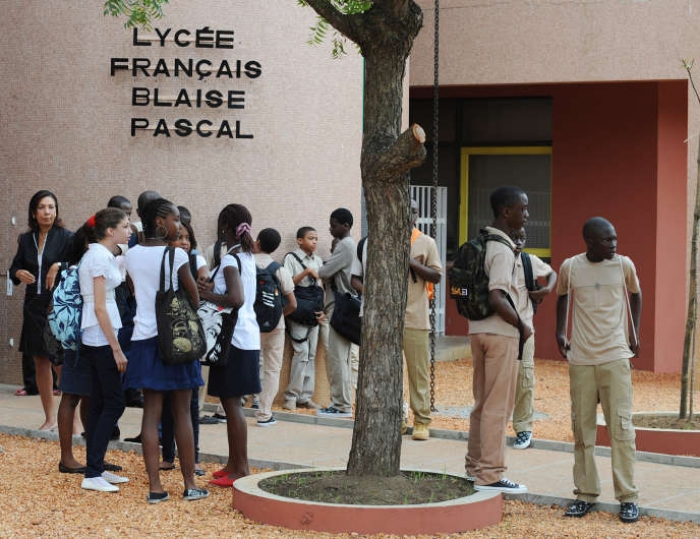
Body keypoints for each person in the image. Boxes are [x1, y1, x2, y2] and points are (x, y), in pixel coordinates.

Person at [555, 217, 641, 523]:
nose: (614, 244)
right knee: (582, 430)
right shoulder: (571, 267)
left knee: (621, 429)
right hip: (581, 360)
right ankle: (586, 494)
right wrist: (560, 333)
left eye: (615, 238)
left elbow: (636, 294)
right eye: (607, 240)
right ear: (590, 242)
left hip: (615, 357)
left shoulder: (623, 265)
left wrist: (634, 333)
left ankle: (628, 497)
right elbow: (562, 295)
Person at [123, 198, 209, 503]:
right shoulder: (175, 255)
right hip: (176, 340)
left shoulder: (130, 256)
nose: (178, 225)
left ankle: (156, 488)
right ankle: (189, 484)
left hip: (144, 340)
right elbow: (194, 300)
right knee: (183, 412)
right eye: (174, 220)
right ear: (160, 222)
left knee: (150, 414)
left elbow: (135, 291)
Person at [465, 185, 531, 494]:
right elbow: (497, 296)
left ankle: (474, 467)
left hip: (477, 330)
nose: (526, 214)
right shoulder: (503, 249)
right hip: (501, 334)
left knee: (482, 403)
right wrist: (522, 325)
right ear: (506, 211)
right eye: (523, 208)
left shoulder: (484, 241)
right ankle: (490, 474)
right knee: (498, 406)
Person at [201, 203, 260, 487]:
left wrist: (206, 295)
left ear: (224, 228)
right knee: (230, 402)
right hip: (247, 337)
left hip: (233, 340)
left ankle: (241, 468)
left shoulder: (229, 260)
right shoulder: (246, 256)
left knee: (232, 405)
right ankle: (233, 463)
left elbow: (235, 299)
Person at [10, 190, 74, 430]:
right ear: (34, 213)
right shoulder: (26, 239)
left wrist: (59, 265)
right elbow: (14, 266)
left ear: (56, 211)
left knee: (61, 363)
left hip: (57, 306)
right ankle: (49, 417)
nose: (47, 212)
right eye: (42, 207)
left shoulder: (67, 237)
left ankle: (73, 419)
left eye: (51, 207)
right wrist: (17, 273)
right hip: (33, 306)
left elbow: (80, 264)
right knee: (40, 361)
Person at [79, 208, 132, 492]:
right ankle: (92, 472)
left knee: (100, 402)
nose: (129, 229)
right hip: (101, 336)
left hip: (99, 333)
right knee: (114, 402)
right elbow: (100, 306)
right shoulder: (98, 257)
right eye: (125, 225)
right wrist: (116, 348)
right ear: (110, 230)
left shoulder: (100, 254)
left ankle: (95, 467)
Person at [160, 221, 207, 476]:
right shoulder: (167, 261)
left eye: (188, 237)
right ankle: (168, 455)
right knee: (168, 400)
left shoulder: (193, 260)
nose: (185, 242)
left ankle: (194, 457)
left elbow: (203, 277)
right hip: (169, 334)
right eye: (180, 237)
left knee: (190, 404)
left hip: (187, 336)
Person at [509, 227, 557, 450]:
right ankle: (493, 427)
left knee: (524, 377)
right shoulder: (493, 259)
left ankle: (523, 427)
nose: (518, 242)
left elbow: (551, 273)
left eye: (522, 238)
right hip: (498, 329)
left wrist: (546, 290)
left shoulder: (529, 261)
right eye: (513, 237)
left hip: (525, 329)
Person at [253, 228, 296, 426]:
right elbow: (292, 304)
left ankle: (224, 409)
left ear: (258, 242)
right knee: (272, 369)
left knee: (244, 365)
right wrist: (279, 315)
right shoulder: (279, 269)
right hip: (275, 326)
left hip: (249, 325)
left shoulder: (244, 265)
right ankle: (264, 414)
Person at [317, 208, 356, 418]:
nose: (331, 228)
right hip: (344, 306)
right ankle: (342, 403)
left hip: (339, 306)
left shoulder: (344, 245)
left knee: (337, 357)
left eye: (333, 225)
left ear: (346, 225)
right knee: (342, 357)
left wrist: (326, 268)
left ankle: (341, 405)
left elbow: (323, 272)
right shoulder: (350, 245)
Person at [282, 226, 324, 410]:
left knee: (312, 354)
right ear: (300, 240)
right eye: (310, 238)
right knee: (301, 352)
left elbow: (322, 287)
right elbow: (287, 284)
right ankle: (291, 396)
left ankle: (305, 396)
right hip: (298, 311)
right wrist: (306, 272)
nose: (314, 241)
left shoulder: (319, 260)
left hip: (314, 311)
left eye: (316, 238)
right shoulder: (291, 258)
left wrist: (323, 310)